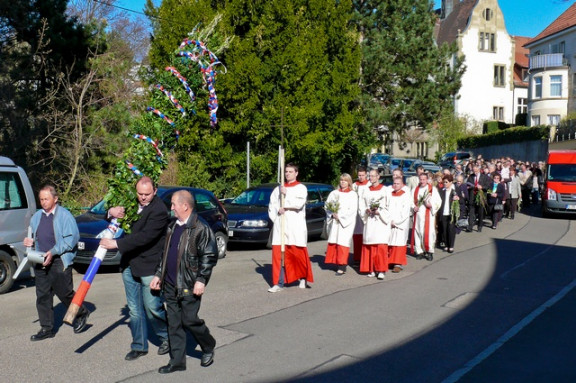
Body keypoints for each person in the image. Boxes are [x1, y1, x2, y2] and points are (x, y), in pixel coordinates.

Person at [100, 176, 169, 360]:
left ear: (155, 191)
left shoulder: (160, 210)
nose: (143, 197)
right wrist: (111, 211)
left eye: (147, 194)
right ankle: (139, 346)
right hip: (129, 264)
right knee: (134, 309)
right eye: (140, 194)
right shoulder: (131, 201)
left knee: (152, 308)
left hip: (149, 265)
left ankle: (167, 337)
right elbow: (105, 214)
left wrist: (116, 244)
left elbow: (145, 237)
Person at [150, 190, 217, 374]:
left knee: (189, 320)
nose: (171, 208)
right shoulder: (172, 226)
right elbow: (165, 255)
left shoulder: (200, 228)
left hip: (189, 284)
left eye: (173, 204)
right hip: (170, 284)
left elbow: (209, 256)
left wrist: (201, 280)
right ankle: (177, 362)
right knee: (174, 323)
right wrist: (158, 275)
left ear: (185, 206)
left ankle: (208, 345)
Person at [23, 184, 90, 341]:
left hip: (59, 260)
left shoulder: (65, 216)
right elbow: (33, 238)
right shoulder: (36, 217)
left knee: (64, 292)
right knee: (42, 295)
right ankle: (46, 328)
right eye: (41, 199)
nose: (43, 202)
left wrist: (52, 252)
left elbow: (72, 239)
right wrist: (28, 242)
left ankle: (81, 313)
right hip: (40, 260)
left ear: (55, 199)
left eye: (46, 199)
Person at [267, 163, 314, 292]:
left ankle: (302, 277)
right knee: (278, 254)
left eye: (290, 171)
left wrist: (286, 196)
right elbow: (272, 205)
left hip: (295, 226)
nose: (287, 174)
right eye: (286, 171)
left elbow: (299, 203)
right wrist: (278, 211)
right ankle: (278, 282)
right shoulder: (278, 189)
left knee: (297, 253)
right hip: (281, 225)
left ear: (296, 173)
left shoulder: (301, 188)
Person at [359, 169, 390, 279]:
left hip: (380, 222)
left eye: (373, 176)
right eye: (370, 176)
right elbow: (361, 205)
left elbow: (388, 206)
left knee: (380, 246)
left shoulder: (385, 190)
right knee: (370, 246)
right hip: (370, 221)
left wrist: (379, 212)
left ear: (378, 177)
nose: (371, 178)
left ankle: (381, 270)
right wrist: (366, 211)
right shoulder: (366, 190)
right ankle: (371, 269)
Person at [324, 174, 358, 275]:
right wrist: (331, 213)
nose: (343, 182)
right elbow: (327, 205)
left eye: (345, 180)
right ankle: (336, 262)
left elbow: (352, 210)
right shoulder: (334, 193)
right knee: (335, 242)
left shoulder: (352, 194)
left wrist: (341, 217)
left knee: (343, 243)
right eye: (341, 180)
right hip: (335, 222)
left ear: (349, 182)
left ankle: (342, 266)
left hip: (345, 223)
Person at [410, 172, 441, 261]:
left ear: (427, 179)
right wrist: (413, 207)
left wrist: (430, 205)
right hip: (418, 215)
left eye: (424, 179)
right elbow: (410, 200)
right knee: (418, 232)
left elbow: (438, 201)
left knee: (429, 233)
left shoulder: (432, 189)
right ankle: (420, 252)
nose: (422, 181)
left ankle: (429, 251)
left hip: (428, 215)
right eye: (421, 179)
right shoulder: (415, 189)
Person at [387, 176, 411, 273]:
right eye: (394, 183)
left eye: (398, 183)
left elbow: (405, 211)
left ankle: (398, 263)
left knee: (399, 243)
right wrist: (389, 220)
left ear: (402, 185)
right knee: (391, 242)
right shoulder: (389, 195)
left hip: (400, 224)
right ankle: (390, 261)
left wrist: (396, 222)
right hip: (390, 223)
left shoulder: (405, 195)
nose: (396, 185)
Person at [352, 167, 369, 266]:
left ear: (366, 175)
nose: (361, 177)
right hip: (356, 215)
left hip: (366, 214)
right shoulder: (354, 186)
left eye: (362, 175)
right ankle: (357, 258)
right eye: (359, 175)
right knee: (357, 236)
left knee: (366, 236)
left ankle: (365, 257)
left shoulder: (369, 185)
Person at [466, 165, 492, 232]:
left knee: (480, 212)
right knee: (471, 211)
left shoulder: (485, 177)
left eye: (476, 171)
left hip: (481, 196)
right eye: (474, 171)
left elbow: (488, 186)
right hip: (472, 196)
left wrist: (482, 187)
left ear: (479, 170)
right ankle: (470, 226)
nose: (475, 172)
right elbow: (468, 184)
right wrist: (469, 187)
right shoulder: (471, 176)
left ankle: (480, 226)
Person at [438, 175, 459, 253]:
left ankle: (451, 246)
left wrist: (457, 198)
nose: (445, 184)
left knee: (451, 229)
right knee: (444, 229)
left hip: (451, 214)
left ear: (451, 182)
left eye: (446, 182)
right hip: (443, 213)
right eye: (444, 182)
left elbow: (461, 199)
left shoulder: (454, 190)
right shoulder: (441, 190)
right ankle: (446, 245)